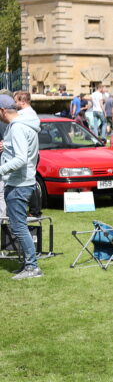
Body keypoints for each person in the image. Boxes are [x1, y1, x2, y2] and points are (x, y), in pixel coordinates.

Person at [0, 95, 42, 279]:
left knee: (19, 227)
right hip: (21, 181)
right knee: (19, 225)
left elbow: (21, 158)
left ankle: (32, 267)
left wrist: (1, 170)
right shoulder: (23, 124)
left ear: (2, 111)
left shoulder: (18, 127)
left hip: (19, 183)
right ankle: (29, 264)